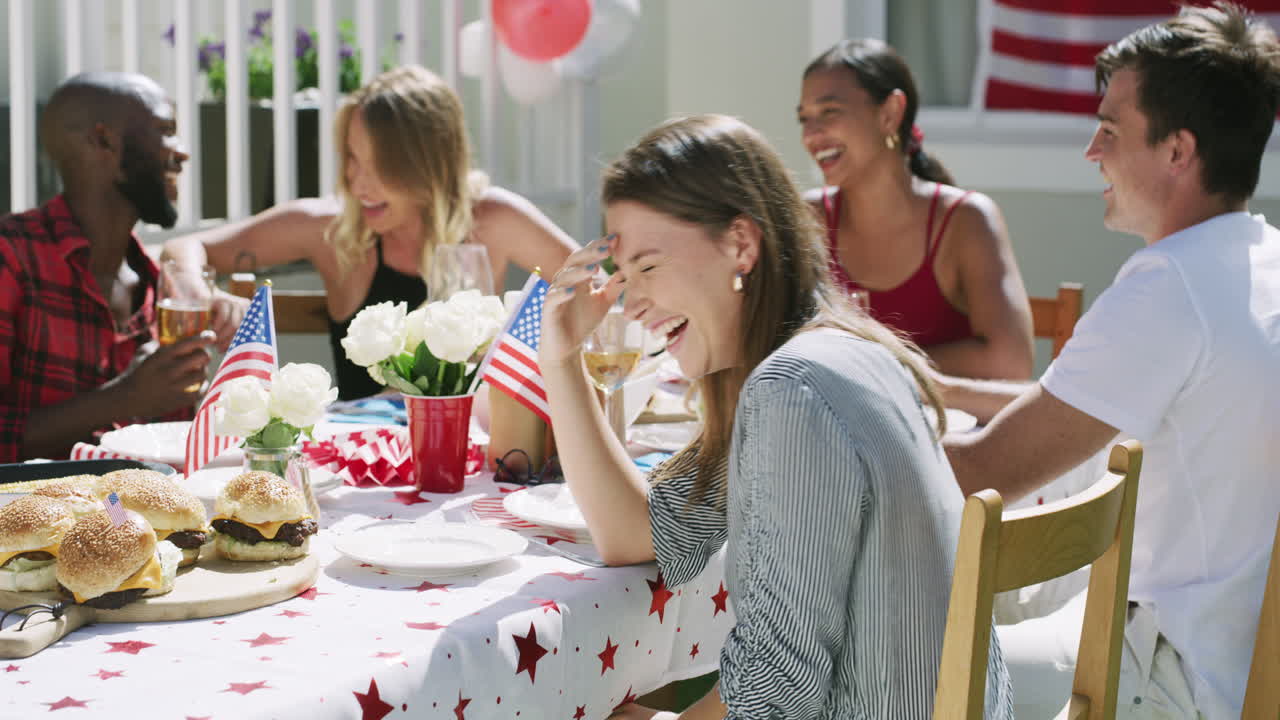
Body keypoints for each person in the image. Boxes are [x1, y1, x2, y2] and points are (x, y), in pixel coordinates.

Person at [540, 115, 1012, 719]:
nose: (632, 305)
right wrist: (559, 360)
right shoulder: (833, 349)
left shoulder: (793, 391)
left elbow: (774, 696)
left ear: (741, 244)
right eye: (624, 276)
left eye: (649, 267)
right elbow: (642, 537)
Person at [937, 4, 1280, 718]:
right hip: (1232, 654)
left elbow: (982, 471)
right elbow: (1073, 406)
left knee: (884, 656)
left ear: (1179, 151)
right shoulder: (1259, 260)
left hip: (1172, 678)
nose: (1092, 149)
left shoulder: (1170, 286)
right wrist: (939, 388)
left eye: (1111, 129)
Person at [163, 64, 577, 399]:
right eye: (352, 158)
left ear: (429, 163)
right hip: (362, 463)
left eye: (380, 164)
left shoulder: (491, 219)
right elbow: (184, 247)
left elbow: (597, 282)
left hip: (471, 456)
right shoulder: (332, 227)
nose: (358, 182)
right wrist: (196, 291)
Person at [0, 72, 221, 463]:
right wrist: (125, 397)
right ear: (104, 141)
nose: (182, 152)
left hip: (120, 512)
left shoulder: (156, 285)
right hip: (26, 516)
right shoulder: (12, 258)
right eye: (166, 131)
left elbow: (169, 447)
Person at [798, 39, 1035, 380]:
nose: (811, 135)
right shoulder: (810, 219)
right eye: (804, 119)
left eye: (830, 112)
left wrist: (870, 363)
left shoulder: (965, 219)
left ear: (890, 112)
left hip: (947, 431)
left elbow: (1010, 363)